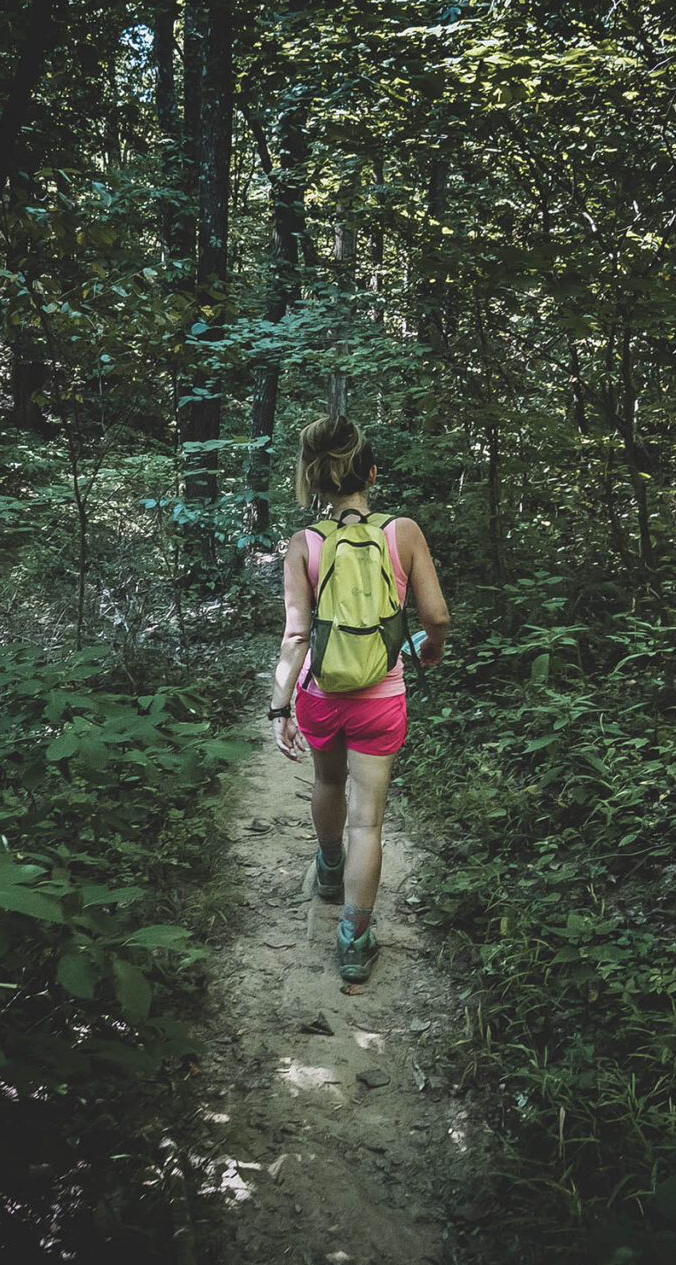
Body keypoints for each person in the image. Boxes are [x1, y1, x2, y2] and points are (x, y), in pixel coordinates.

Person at [268, 415, 451, 983]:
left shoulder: (304, 543)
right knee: (368, 823)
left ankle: (326, 869)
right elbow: (436, 615)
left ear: (315, 481)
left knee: (327, 781)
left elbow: (296, 634)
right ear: (372, 472)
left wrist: (279, 705)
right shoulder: (405, 532)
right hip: (382, 695)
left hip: (323, 692)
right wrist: (431, 647)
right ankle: (354, 937)